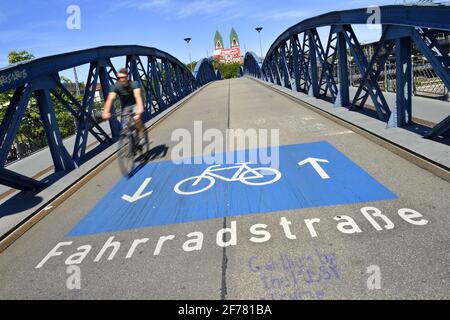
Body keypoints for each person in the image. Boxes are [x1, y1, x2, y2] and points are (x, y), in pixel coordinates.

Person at [102, 68, 146, 145]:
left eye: (123, 77)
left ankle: (142, 135)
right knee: (125, 126)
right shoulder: (115, 86)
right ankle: (130, 145)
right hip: (125, 107)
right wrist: (106, 112)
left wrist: (139, 111)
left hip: (136, 103)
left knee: (136, 119)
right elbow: (110, 99)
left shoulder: (134, 84)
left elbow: (138, 97)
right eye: (118, 78)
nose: (121, 79)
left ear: (127, 77)